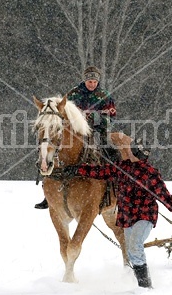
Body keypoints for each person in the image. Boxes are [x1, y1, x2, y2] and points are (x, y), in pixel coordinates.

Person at [63, 138, 172, 288]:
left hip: (144, 216)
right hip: (127, 218)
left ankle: (145, 285)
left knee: (134, 246)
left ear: (137, 153)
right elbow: (100, 172)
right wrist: (77, 170)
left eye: (131, 149)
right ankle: (141, 282)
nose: (127, 150)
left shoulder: (150, 174)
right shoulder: (123, 167)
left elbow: (165, 196)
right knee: (131, 251)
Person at [35, 65, 118, 210]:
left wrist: (93, 117)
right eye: (89, 81)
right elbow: (64, 113)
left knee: (110, 151)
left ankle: (114, 185)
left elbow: (111, 116)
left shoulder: (105, 96)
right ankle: (49, 193)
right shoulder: (73, 94)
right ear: (84, 80)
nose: (92, 84)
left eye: (94, 82)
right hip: (76, 131)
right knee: (55, 152)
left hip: (97, 130)